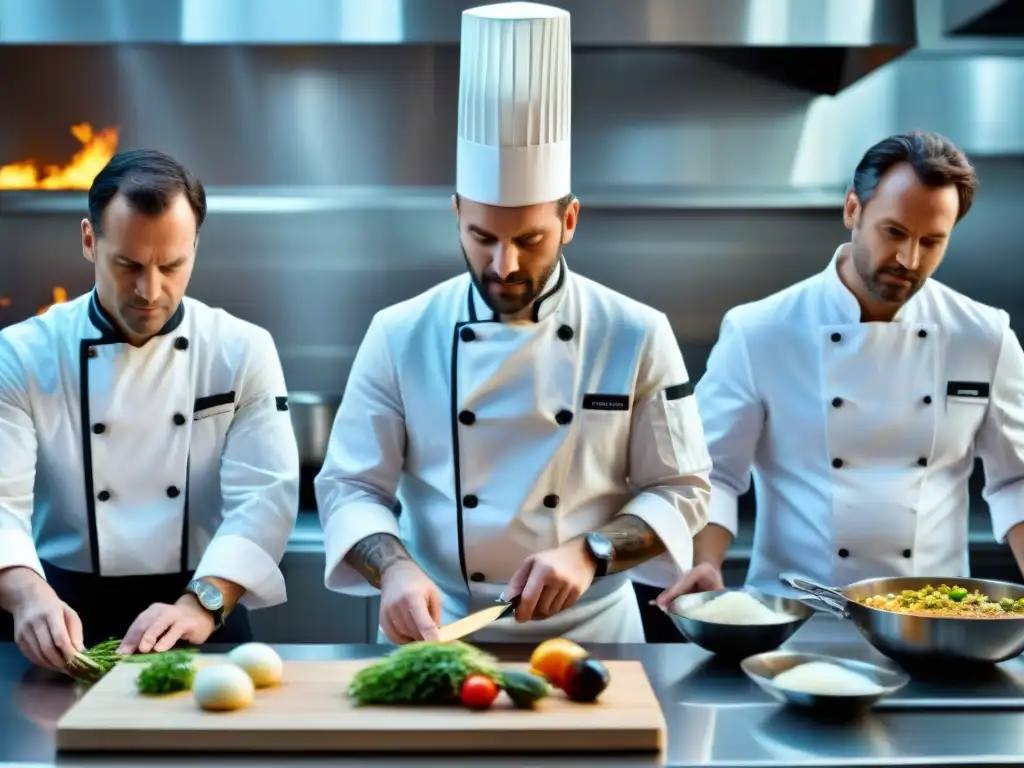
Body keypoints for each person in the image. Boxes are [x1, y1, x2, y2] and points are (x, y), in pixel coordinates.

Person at [315, 1, 712, 645]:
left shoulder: (634, 332)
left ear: (571, 220)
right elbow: (349, 486)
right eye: (481, 237)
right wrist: (392, 569)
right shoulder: (400, 332)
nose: (504, 265)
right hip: (435, 630)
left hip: (593, 638)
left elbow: (685, 490)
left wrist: (591, 552)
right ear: (455, 215)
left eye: (529, 238)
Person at [656, 131, 1024, 609]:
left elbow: (1016, 480)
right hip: (790, 615)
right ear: (853, 209)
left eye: (932, 241)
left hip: (937, 620)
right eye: (893, 232)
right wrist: (702, 562)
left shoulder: (984, 336)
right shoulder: (759, 331)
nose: (909, 260)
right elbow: (714, 475)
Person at [0, 149, 300, 672]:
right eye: (129, 265)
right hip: (58, 613)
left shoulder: (241, 349)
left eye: (172, 265)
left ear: (195, 247)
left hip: (203, 606)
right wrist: (25, 593)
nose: (150, 290)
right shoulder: (22, 354)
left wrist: (206, 600)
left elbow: (265, 497)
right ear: (90, 240)